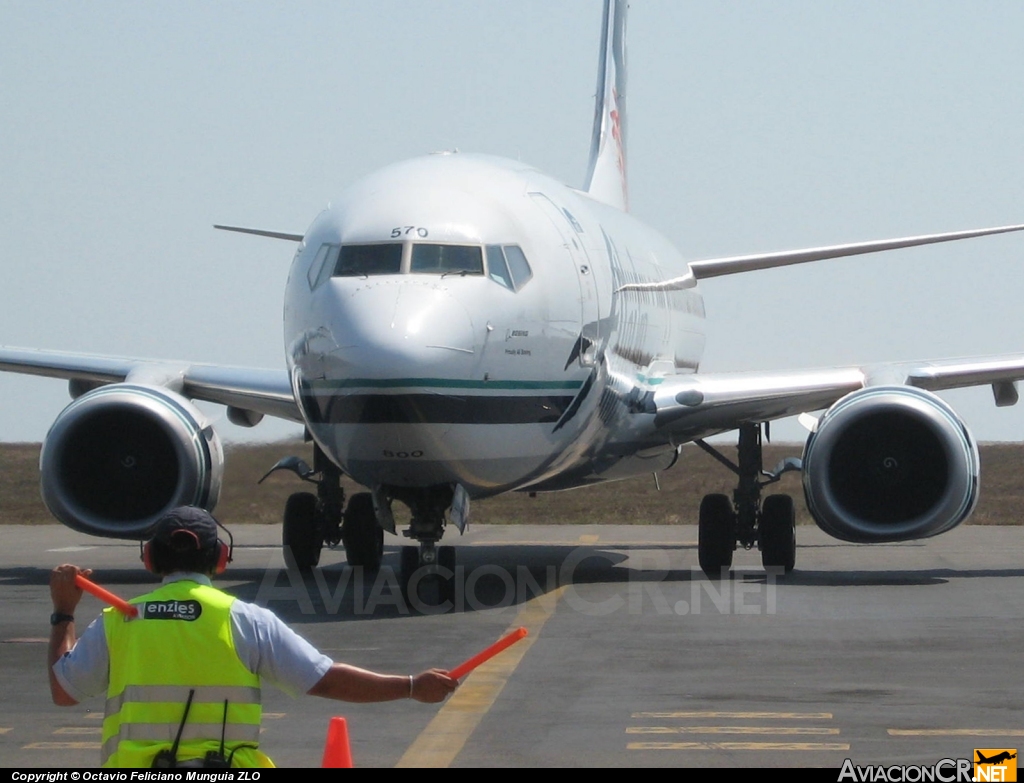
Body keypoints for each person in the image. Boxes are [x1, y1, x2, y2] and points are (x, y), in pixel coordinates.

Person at [48, 506, 458, 768]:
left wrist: (64, 612)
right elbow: (326, 679)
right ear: (221, 559)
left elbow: (65, 690)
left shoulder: (120, 620)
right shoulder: (246, 619)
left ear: (151, 558)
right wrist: (409, 686)